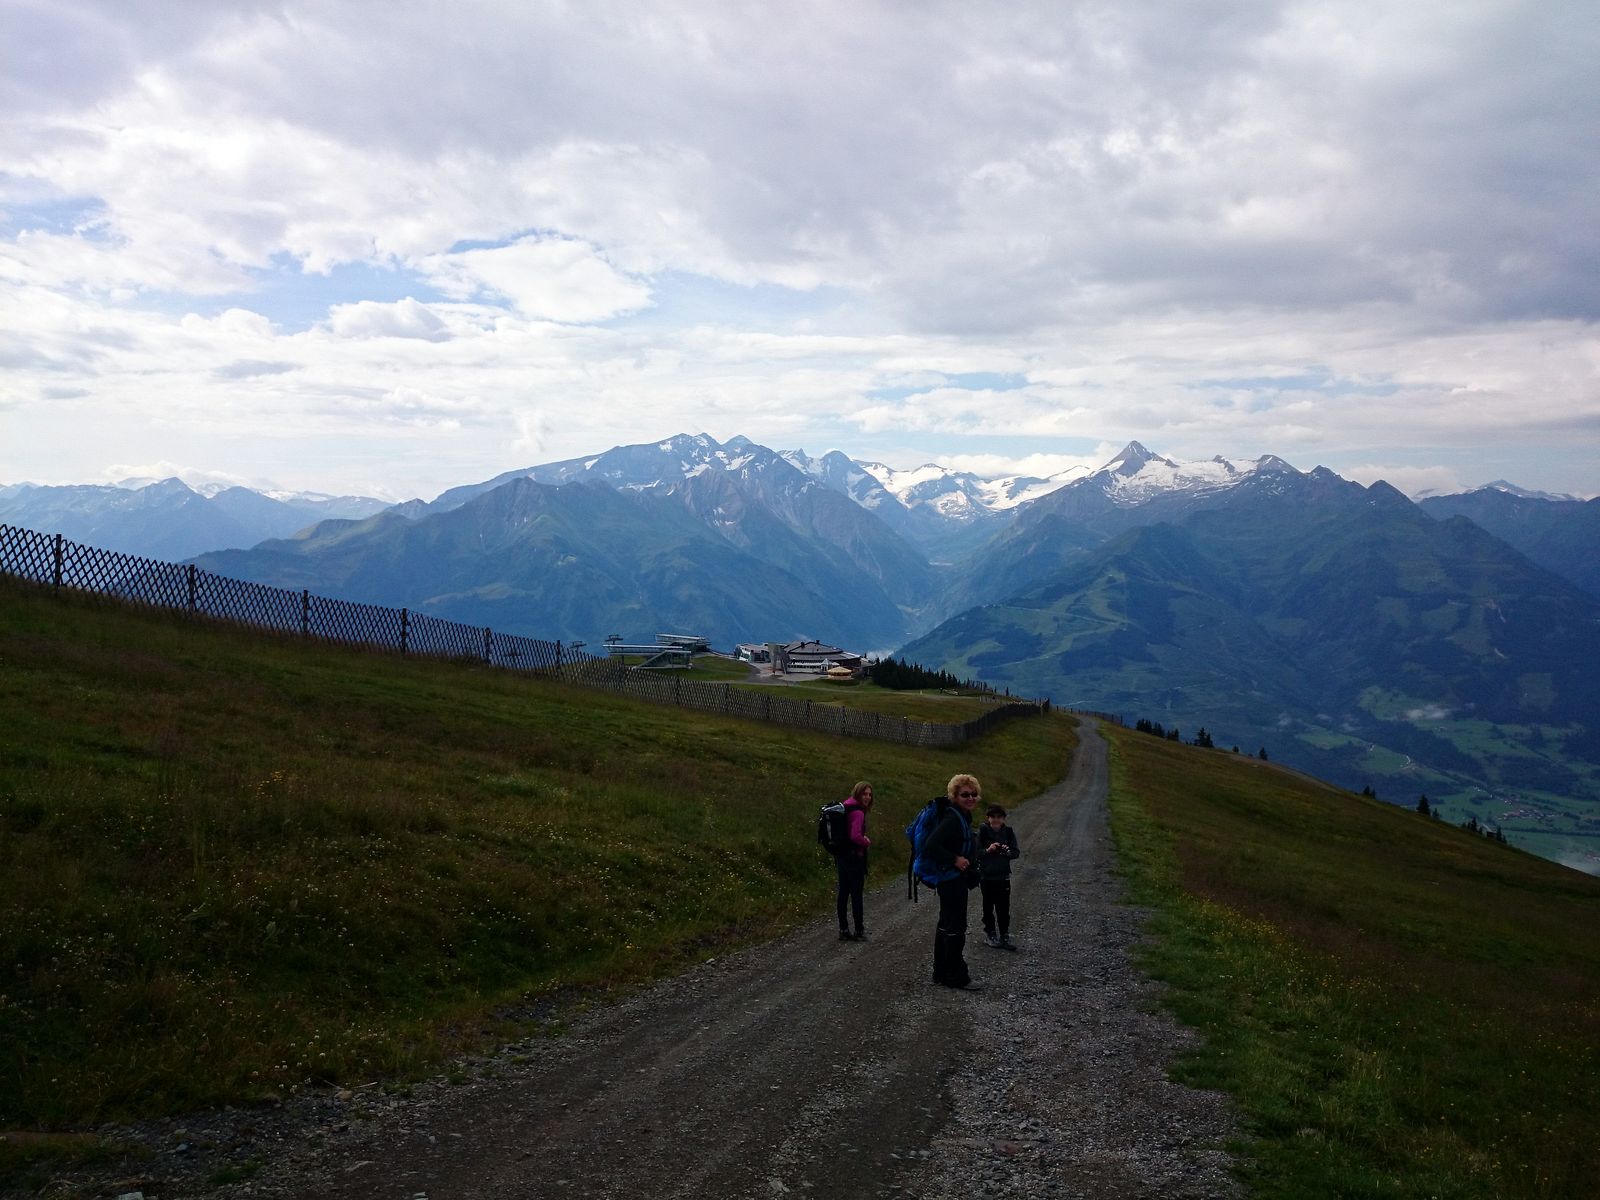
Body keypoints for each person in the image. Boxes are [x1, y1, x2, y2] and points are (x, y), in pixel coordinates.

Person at [925, 774, 982, 989]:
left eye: (973, 794)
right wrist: (955, 859)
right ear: (955, 796)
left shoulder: (961, 815)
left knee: (945, 924)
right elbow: (931, 845)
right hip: (951, 880)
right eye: (965, 794)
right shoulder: (952, 819)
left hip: (951, 879)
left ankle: (940, 972)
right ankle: (956, 976)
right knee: (956, 927)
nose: (970, 798)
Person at [977, 804, 1020, 950]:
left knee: (1004, 908)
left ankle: (1004, 935)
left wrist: (1007, 852)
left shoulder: (1008, 832)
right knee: (988, 907)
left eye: (999, 817)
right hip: (986, 877)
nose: (996, 820)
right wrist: (988, 850)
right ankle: (990, 934)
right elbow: (976, 853)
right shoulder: (982, 831)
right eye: (993, 817)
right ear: (988, 818)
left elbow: (1016, 852)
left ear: (1003, 818)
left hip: (1003, 877)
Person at [836, 781, 873, 941]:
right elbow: (855, 836)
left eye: (870, 795)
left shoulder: (846, 805)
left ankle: (843, 929)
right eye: (865, 794)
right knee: (856, 894)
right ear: (857, 793)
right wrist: (866, 842)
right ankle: (859, 930)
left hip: (842, 855)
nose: (868, 797)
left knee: (843, 893)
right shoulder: (858, 812)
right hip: (853, 857)